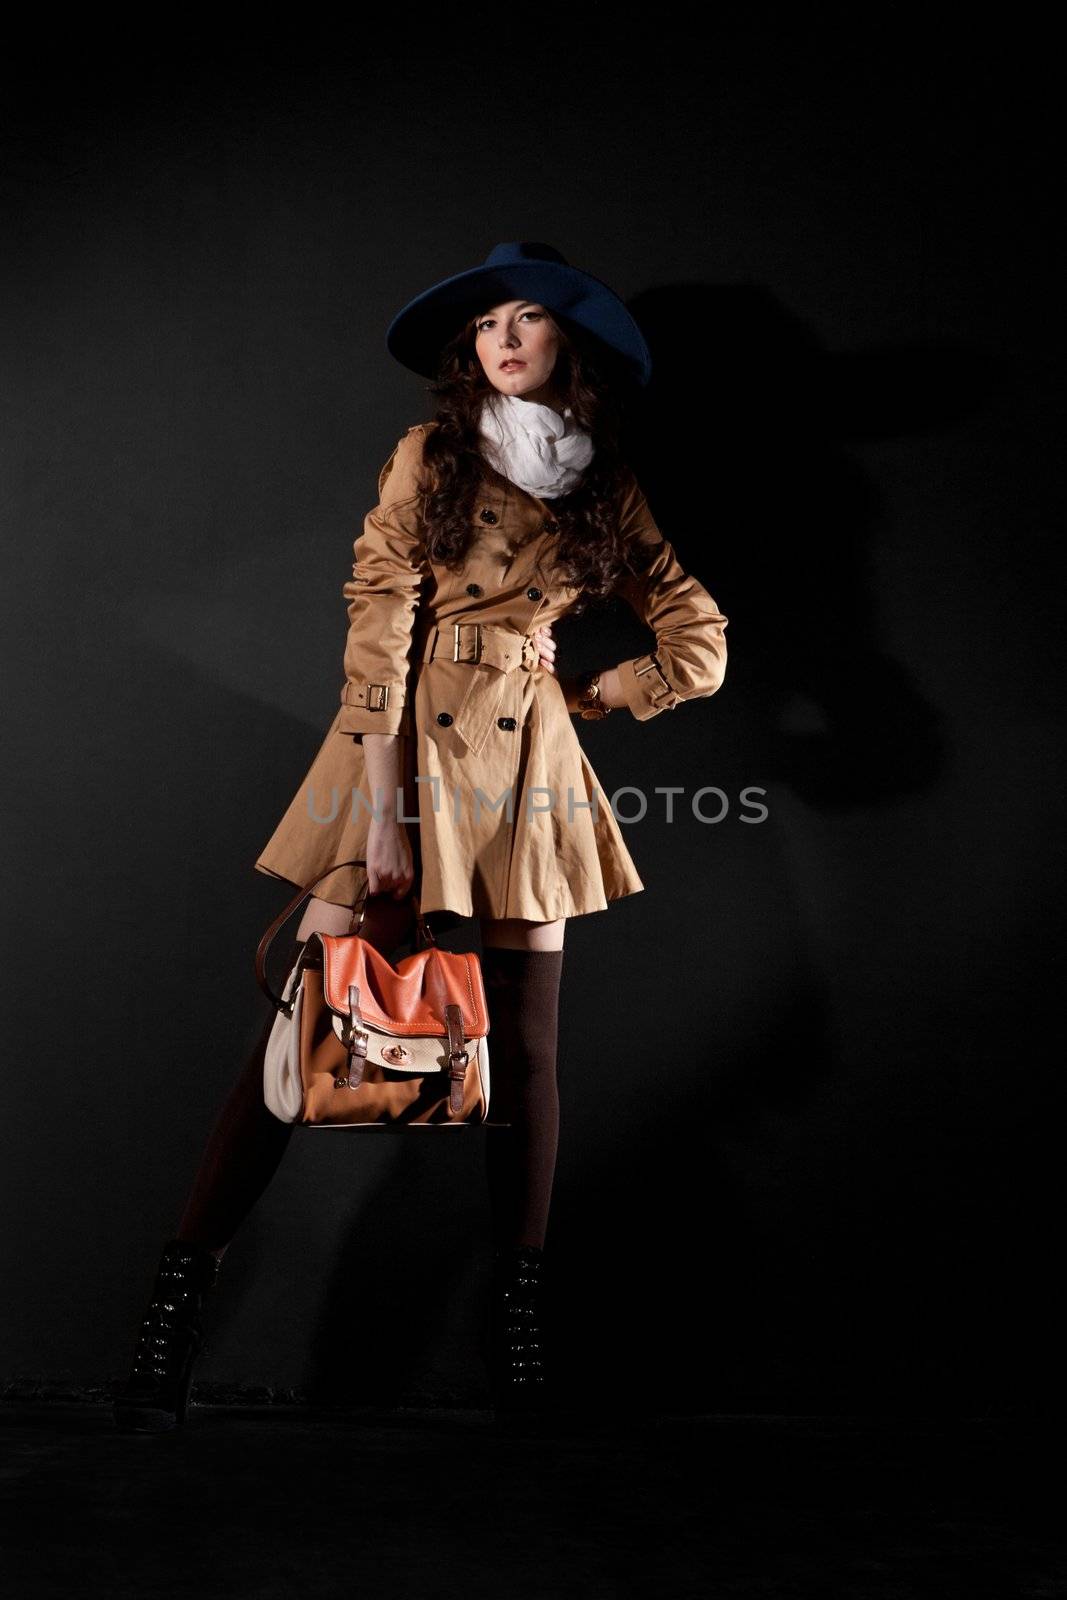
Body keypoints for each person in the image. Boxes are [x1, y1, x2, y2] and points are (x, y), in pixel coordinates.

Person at [112, 241, 729, 1432]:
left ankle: (515, 1330)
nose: (503, 339)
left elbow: (696, 636)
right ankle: (172, 1317)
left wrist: (596, 694)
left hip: (528, 768)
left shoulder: (603, 484)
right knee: (300, 1036)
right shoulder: (433, 455)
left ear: (568, 345)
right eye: (487, 322)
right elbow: (379, 609)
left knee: (529, 1058)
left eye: (529, 319)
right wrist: (385, 806)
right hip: (402, 745)